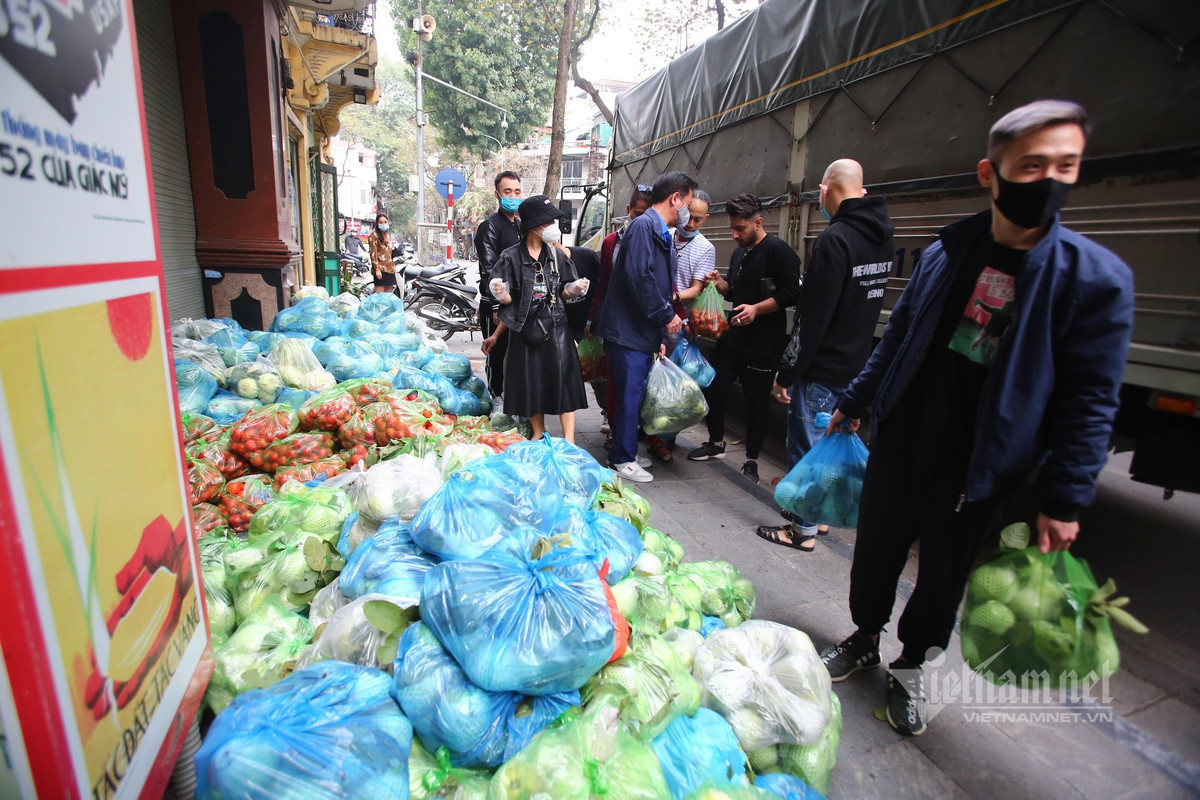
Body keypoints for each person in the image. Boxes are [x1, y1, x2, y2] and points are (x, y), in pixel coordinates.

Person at [820, 100, 1134, 737]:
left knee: (943, 576)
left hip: (978, 467)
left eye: (1066, 165)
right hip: (903, 440)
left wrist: (1066, 498)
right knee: (875, 554)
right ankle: (863, 637)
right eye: (1033, 165)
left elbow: (1090, 400)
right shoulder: (948, 252)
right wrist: (855, 401)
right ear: (991, 173)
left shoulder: (1092, 280)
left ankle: (913, 665)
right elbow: (898, 338)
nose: (1050, 179)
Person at [756, 159, 894, 552]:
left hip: (821, 368)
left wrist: (786, 373)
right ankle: (819, 515)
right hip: (855, 365)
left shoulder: (835, 240)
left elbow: (813, 319)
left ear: (825, 189)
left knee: (809, 450)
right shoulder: (882, 237)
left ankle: (802, 531)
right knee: (829, 445)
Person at [687, 193, 800, 484]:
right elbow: (735, 290)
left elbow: (792, 293)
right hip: (733, 337)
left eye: (740, 229)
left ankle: (751, 461)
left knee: (756, 403)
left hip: (764, 344)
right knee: (715, 387)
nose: (735, 235)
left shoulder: (778, 251)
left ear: (758, 222)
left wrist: (757, 309)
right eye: (732, 228)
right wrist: (720, 284)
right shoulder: (740, 253)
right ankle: (716, 443)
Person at [594, 172, 696, 483]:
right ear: (675, 198)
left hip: (639, 332)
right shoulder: (643, 227)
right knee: (628, 396)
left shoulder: (657, 230)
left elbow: (657, 282)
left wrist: (659, 335)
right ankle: (621, 459)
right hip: (627, 332)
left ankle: (625, 450)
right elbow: (640, 279)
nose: (688, 211)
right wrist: (666, 316)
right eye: (688, 202)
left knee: (634, 395)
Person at [485, 195, 590, 441]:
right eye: (549, 221)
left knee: (564, 383)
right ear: (533, 224)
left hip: (557, 328)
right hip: (526, 329)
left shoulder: (557, 256)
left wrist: (574, 289)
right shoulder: (510, 257)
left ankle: (570, 439)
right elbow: (509, 300)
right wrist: (501, 294)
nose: (553, 226)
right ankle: (537, 432)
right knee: (532, 384)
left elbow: (563, 291)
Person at [646, 189, 717, 463]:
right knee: (650, 379)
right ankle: (649, 429)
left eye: (698, 219)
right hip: (655, 317)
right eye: (689, 216)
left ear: (705, 219)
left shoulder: (705, 248)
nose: (691, 223)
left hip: (681, 325)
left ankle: (664, 438)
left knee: (672, 386)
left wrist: (669, 298)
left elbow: (696, 289)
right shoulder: (666, 234)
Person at [587, 184, 654, 439]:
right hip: (615, 325)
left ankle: (645, 436)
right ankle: (617, 435)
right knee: (615, 382)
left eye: (647, 215)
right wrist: (592, 318)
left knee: (642, 385)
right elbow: (603, 283)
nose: (641, 221)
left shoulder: (657, 241)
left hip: (644, 326)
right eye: (637, 214)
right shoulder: (610, 243)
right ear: (628, 210)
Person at [476, 172, 523, 400]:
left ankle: (513, 399)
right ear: (497, 194)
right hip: (495, 303)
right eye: (507, 192)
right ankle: (495, 397)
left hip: (517, 302)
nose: (513, 196)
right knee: (495, 352)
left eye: (517, 192)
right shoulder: (490, 227)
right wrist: (497, 305)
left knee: (515, 355)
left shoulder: (521, 226)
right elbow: (489, 270)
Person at [368, 213, 399, 294]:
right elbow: (373, 254)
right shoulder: (374, 235)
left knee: (388, 296)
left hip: (390, 268)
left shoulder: (387, 235)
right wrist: (377, 269)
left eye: (385, 222)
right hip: (380, 269)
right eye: (381, 222)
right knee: (380, 295)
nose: (383, 224)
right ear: (377, 223)